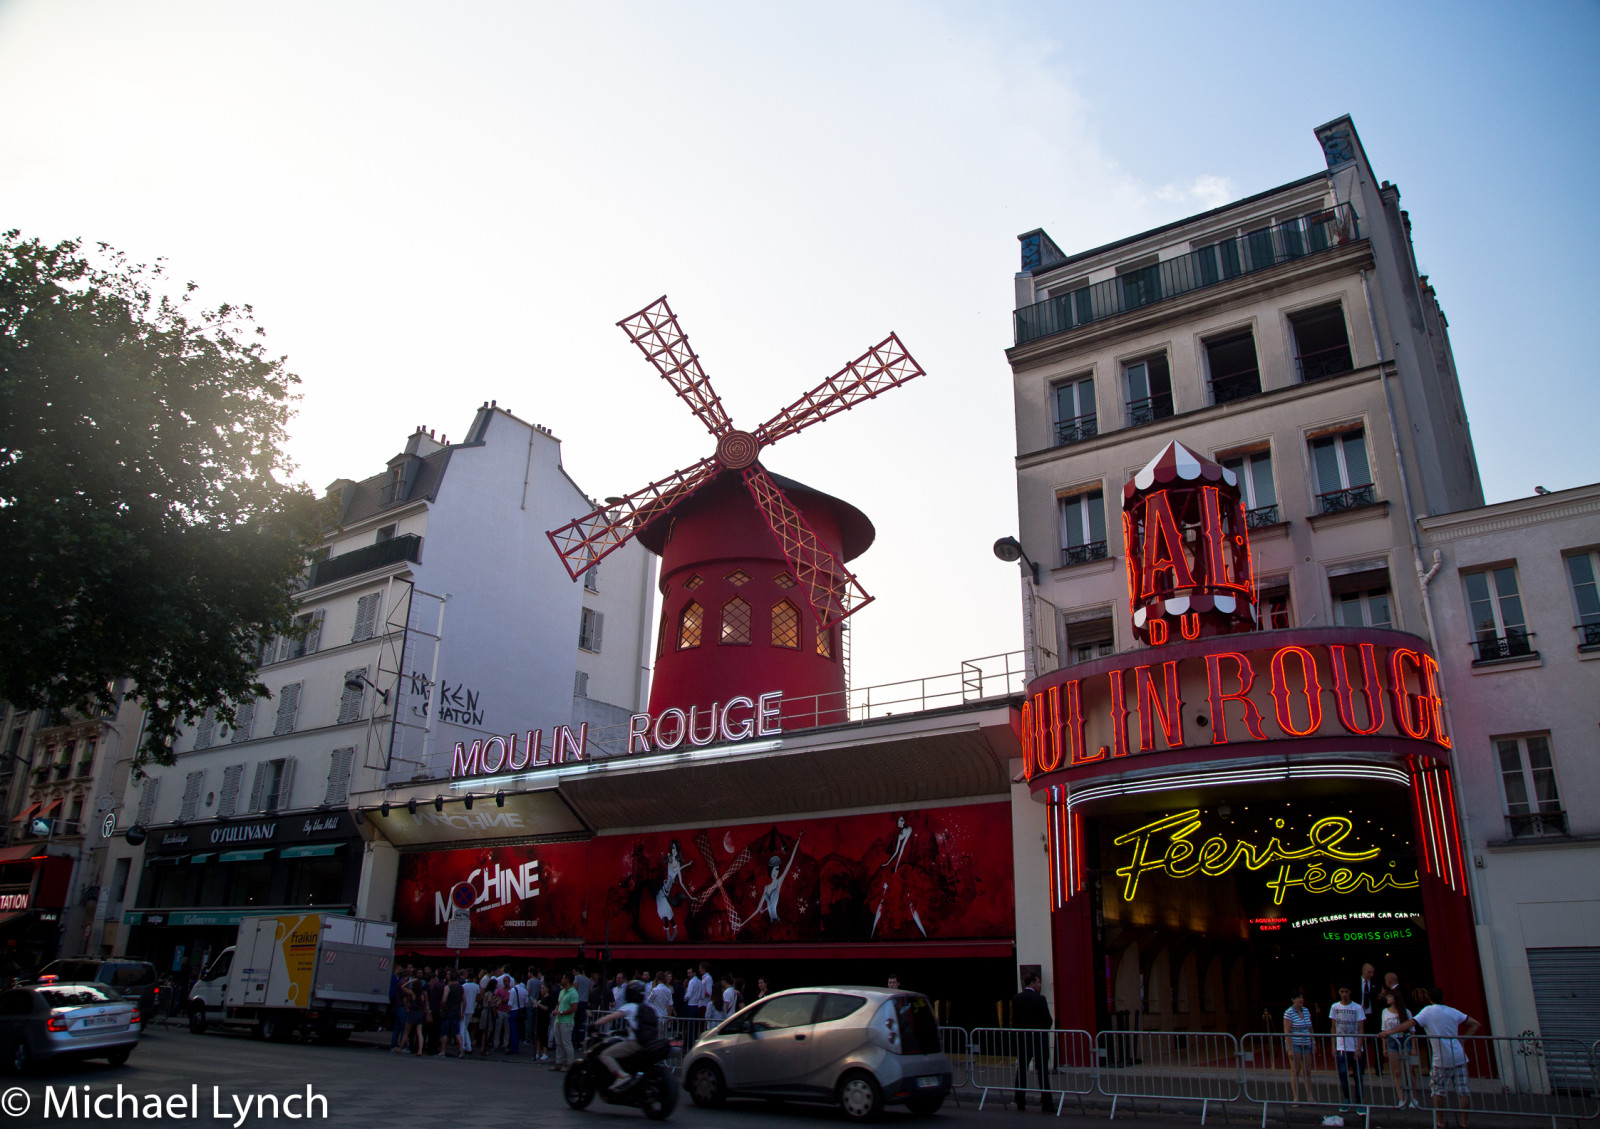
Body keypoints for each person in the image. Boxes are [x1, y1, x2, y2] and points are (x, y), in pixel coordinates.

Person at [1387, 987, 1481, 1129]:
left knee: (1437, 1091)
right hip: (1459, 1056)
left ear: (1429, 998)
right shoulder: (1452, 1011)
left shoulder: (1427, 1011)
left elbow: (1410, 1024)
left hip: (1441, 1059)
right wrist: (1462, 1040)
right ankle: (1464, 1123)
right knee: (1463, 1090)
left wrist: (1390, 1031)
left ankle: (1440, 1121)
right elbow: (1475, 1024)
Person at [595, 980, 659, 1092]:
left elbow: (611, 1017)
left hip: (634, 1043)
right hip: (648, 1043)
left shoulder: (629, 1007)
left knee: (605, 1054)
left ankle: (621, 1075)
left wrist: (595, 1023)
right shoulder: (646, 1007)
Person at [1013, 972, 1053, 1112]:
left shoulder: (1017, 998)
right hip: (1038, 1039)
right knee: (1042, 1071)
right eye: (1038, 982)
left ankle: (1020, 1100)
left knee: (1022, 1069)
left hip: (1023, 1039)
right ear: (1032, 983)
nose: (1040, 985)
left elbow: (1015, 1021)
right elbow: (1048, 1020)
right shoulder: (1040, 999)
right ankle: (1046, 1102)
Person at [1380, 989, 1419, 1109]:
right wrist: (1384, 1047)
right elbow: (1384, 1030)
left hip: (1405, 1040)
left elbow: (1412, 1031)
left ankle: (1414, 1098)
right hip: (1392, 1042)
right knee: (1397, 1072)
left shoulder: (1406, 1012)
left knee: (1409, 1071)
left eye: (1389, 996)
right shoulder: (1385, 1012)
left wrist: (1413, 1048)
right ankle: (1401, 1099)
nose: (1387, 998)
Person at [1329, 984, 1366, 1110]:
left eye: (1346, 991)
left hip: (1354, 1045)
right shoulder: (1335, 1007)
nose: (1344, 994)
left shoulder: (1357, 1007)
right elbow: (1333, 1026)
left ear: (1350, 992)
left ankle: (1359, 1102)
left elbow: (1361, 1028)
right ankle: (1347, 1098)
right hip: (1341, 1045)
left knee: (1357, 1075)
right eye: (1342, 991)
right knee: (1343, 1073)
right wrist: (1333, 1046)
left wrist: (1359, 1047)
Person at [1282, 990, 1314, 1106]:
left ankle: (1310, 1096)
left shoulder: (1306, 1011)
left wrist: (1313, 1041)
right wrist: (1289, 1049)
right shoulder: (1289, 1013)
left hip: (1306, 1043)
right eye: (1298, 998)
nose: (1301, 1000)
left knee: (1307, 1071)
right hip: (1295, 1044)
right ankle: (1296, 1098)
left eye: (1302, 997)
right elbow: (1287, 1031)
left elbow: (1310, 1027)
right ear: (1293, 1000)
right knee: (1295, 1071)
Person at [552, 972, 578, 1071]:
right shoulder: (562, 991)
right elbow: (558, 1003)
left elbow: (574, 1008)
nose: (562, 980)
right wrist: (556, 1010)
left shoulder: (573, 993)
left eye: (563, 978)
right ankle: (559, 1062)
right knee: (558, 1042)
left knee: (566, 1043)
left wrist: (561, 1012)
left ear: (567, 980)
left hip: (567, 1021)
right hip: (559, 1020)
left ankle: (569, 1063)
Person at [440, 969, 464, 1058]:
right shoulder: (461, 987)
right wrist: (462, 1011)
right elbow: (463, 1000)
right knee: (456, 1031)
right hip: (457, 1010)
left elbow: (443, 1000)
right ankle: (461, 1048)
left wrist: (442, 1008)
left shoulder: (447, 987)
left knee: (444, 1031)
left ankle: (443, 1050)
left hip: (448, 1010)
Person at [1358, 963, 1382, 1035]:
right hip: (1359, 1013)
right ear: (1363, 971)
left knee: (1374, 1033)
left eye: (1373, 972)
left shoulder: (1376, 983)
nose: (1371, 975)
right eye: (1369, 972)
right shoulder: (1355, 982)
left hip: (1373, 1013)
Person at [459, 968, 479, 1055]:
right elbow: (478, 997)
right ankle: (468, 1046)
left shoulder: (463, 986)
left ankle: (463, 1045)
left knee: (462, 1027)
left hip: (463, 1008)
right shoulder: (476, 986)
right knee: (465, 1027)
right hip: (471, 1008)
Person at [507, 972, 526, 1055]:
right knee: (518, 1030)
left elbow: (510, 1003)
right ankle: (516, 1047)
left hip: (514, 1010)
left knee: (513, 1030)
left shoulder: (513, 990)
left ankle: (513, 1048)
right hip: (521, 1010)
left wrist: (508, 1011)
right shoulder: (524, 990)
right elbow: (526, 1002)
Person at [572, 965, 592, 1046]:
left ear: (577, 971)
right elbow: (590, 990)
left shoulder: (577, 978)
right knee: (581, 1023)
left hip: (577, 1001)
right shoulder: (588, 980)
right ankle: (580, 1041)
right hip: (585, 1001)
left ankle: (573, 1040)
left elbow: (575, 988)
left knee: (573, 1022)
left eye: (574, 971)